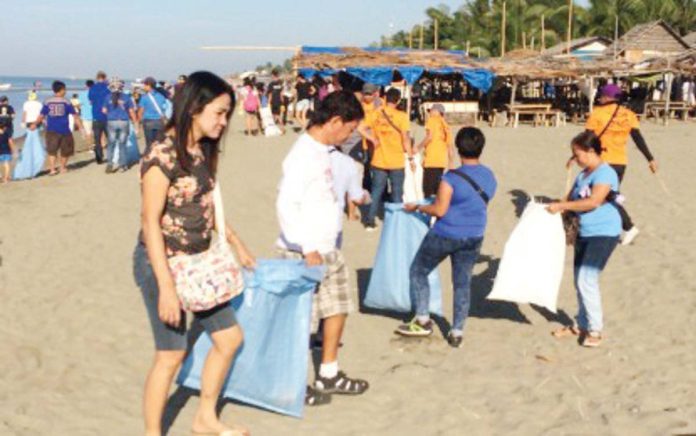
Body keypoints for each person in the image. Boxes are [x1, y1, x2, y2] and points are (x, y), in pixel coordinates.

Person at [135, 71, 254, 436]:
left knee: (230, 339)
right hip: (162, 263)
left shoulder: (201, 149)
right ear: (194, 108)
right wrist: (166, 287)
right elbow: (150, 223)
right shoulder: (162, 155)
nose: (223, 121)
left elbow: (207, 204)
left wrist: (235, 242)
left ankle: (205, 418)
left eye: (227, 114)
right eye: (219, 113)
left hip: (200, 263)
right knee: (170, 355)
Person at [276, 90, 369, 406]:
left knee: (338, 308)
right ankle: (291, 382)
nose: (349, 136)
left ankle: (328, 372)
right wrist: (305, 247)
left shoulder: (328, 153)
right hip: (305, 251)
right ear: (334, 121)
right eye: (348, 129)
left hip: (329, 249)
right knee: (301, 320)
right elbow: (286, 204)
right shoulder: (302, 155)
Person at [396, 127, 497, 348]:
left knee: (418, 270)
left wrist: (420, 208)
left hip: (447, 233)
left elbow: (440, 210)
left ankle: (423, 318)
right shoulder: (489, 175)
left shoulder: (451, 177)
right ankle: (457, 330)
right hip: (474, 234)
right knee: (462, 283)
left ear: (459, 149)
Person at [548, 131, 622, 348]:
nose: (574, 158)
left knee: (586, 279)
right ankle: (581, 323)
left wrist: (562, 206)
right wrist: (555, 206)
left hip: (604, 232)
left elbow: (594, 201)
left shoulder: (605, 173)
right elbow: (569, 199)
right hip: (584, 232)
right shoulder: (582, 175)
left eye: (576, 154)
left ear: (590, 151)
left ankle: (595, 329)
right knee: (579, 279)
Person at [581, 83, 658, 245]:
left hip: (601, 162)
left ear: (608, 97)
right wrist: (650, 159)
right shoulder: (629, 114)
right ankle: (602, 225)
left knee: (604, 195)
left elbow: (587, 138)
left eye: (602, 95)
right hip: (621, 162)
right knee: (603, 194)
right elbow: (638, 139)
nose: (599, 97)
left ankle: (629, 227)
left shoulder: (597, 113)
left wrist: (578, 155)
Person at [359, 88, 415, 231]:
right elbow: (406, 139)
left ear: (385, 98)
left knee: (376, 191)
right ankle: (396, 222)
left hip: (378, 159)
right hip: (396, 160)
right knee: (397, 193)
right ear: (397, 100)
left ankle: (370, 221)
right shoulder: (402, 116)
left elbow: (360, 128)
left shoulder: (376, 113)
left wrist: (372, 138)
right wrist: (410, 158)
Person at [35, 81, 85, 175]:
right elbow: (75, 116)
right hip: (64, 130)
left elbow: (41, 115)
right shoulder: (66, 102)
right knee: (66, 150)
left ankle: (52, 169)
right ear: (61, 90)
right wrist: (81, 128)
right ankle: (62, 168)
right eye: (65, 89)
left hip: (51, 130)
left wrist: (34, 124)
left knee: (52, 150)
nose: (65, 91)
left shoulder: (47, 101)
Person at [102, 78, 138, 173]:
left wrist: (111, 113)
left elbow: (104, 110)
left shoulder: (107, 97)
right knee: (122, 144)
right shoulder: (126, 97)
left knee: (111, 144)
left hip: (111, 121)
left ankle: (110, 163)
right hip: (123, 121)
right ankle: (122, 165)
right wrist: (135, 122)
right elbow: (131, 111)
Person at [416, 104, 452, 197]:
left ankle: (429, 210)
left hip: (431, 160)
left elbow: (429, 137)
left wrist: (418, 147)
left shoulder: (432, 120)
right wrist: (450, 164)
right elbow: (449, 146)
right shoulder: (446, 125)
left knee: (427, 190)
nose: (430, 113)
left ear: (437, 112)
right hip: (441, 162)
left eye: (431, 111)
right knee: (437, 191)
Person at [138, 76, 169, 150]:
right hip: (160, 121)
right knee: (159, 142)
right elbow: (165, 108)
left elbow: (141, 111)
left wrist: (139, 122)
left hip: (148, 121)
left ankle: (150, 157)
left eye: (145, 85)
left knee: (149, 143)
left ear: (149, 85)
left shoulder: (144, 97)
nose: (143, 86)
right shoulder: (161, 96)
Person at [88, 71, 110, 164]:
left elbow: (91, 101)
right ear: (105, 77)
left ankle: (99, 157)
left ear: (97, 78)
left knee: (97, 139)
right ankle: (112, 155)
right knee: (110, 138)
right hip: (107, 116)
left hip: (96, 116)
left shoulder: (92, 88)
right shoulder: (108, 88)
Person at [78, 80, 94, 146]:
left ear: (86, 86)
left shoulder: (82, 94)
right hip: (95, 115)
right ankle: (98, 145)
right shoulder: (95, 93)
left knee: (88, 132)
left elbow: (79, 104)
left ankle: (90, 147)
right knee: (96, 132)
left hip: (85, 116)